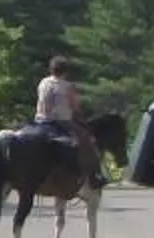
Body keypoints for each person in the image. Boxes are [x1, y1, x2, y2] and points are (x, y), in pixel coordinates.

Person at [33, 55, 107, 190]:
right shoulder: (68, 86)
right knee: (87, 140)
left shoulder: (43, 82)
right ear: (66, 72)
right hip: (60, 123)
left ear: (51, 70)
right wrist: (81, 116)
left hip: (39, 121)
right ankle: (95, 176)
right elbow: (74, 107)